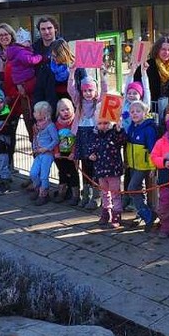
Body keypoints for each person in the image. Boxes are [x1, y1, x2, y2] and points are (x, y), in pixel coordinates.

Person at [68, 68, 108, 210]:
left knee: (95, 166)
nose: (87, 93)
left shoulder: (98, 103)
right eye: (85, 91)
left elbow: (105, 92)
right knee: (85, 165)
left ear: (95, 91)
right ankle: (86, 193)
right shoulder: (79, 102)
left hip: (94, 137)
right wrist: (72, 73)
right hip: (82, 136)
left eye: (90, 90)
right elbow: (71, 90)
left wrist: (103, 77)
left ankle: (97, 196)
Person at [124, 99, 158, 229]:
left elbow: (152, 149)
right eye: (132, 111)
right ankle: (144, 213)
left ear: (145, 113)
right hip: (134, 164)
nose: (134, 114)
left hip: (143, 165)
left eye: (138, 111)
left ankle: (147, 214)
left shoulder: (149, 129)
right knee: (137, 189)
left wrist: (152, 166)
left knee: (132, 188)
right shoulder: (133, 126)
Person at [88, 118, 127, 226]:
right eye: (100, 123)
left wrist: (119, 130)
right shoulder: (95, 135)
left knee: (115, 193)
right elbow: (91, 147)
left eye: (106, 123)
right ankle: (106, 212)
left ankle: (117, 215)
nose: (103, 126)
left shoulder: (114, 133)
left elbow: (122, 140)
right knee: (104, 193)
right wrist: (91, 154)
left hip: (113, 169)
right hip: (100, 169)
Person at [133, 35, 169, 116]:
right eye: (163, 49)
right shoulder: (147, 66)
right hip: (150, 109)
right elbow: (136, 87)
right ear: (157, 50)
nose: (166, 52)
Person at [28, 101, 59, 206]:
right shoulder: (36, 125)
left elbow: (55, 140)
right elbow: (34, 138)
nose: (33, 113)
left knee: (44, 175)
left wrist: (46, 148)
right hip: (38, 154)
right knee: (33, 173)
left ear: (43, 114)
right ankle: (38, 187)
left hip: (47, 154)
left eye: (35, 112)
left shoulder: (50, 126)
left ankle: (43, 194)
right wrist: (34, 148)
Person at [53, 97, 79, 205]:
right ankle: (62, 192)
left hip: (71, 154)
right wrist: (56, 151)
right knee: (62, 173)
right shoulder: (56, 124)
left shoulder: (74, 123)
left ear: (72, 109)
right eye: (62, 110)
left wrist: (73, 152)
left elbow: (76, 140)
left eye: (68, 109)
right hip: (60, 153)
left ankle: (75, 195)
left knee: (73, 173)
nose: (65, 112)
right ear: (58, 112)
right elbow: (54, 139)